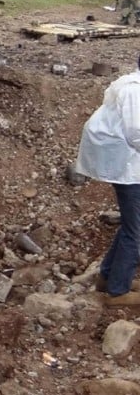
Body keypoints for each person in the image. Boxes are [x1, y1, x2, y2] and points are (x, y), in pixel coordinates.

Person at [75, 55, 140, 306]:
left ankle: (107, 277)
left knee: (130, 226)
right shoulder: (135, 91)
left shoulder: (129, 84)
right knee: (136, 232)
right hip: (128, 168)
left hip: (127, 165)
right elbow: (137, 134)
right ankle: (118, 291)